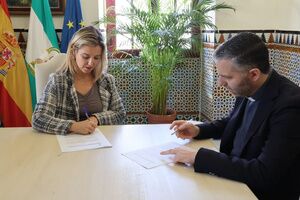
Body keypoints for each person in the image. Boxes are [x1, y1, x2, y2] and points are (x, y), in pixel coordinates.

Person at [161, 32, 300, 199]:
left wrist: (198, 157)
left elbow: (264, 173)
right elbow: (233, 123)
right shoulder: (248, 86)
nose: (220, 83)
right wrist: (198, 130)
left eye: (226, 77)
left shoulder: (291, 105)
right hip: (234, 180)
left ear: (254, 74)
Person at [32, 26, 126, 135]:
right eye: (85, 57)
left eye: (96, 58)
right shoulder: (58, 81)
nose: (91, 63)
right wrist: (73, 126)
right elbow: (38, 118)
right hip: (65, 146)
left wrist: (96, 118)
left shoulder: (107, 80)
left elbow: (120, 113)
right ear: (73, 52)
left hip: (100, 143)